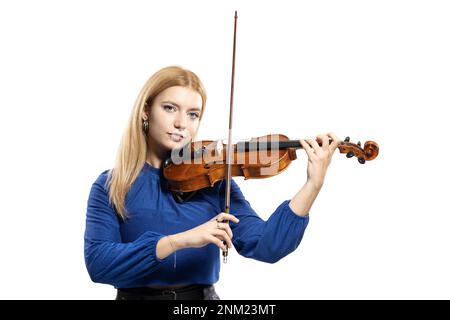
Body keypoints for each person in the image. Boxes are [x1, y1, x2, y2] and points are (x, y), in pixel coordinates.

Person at [84, 65, 341, 300]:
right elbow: (99, 264)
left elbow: (267, 246)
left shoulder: (215, 181)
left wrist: (312, 185)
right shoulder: (111, 184)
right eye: (170, 108)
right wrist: (179, 240)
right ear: (146, 111)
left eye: (193, 114)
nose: (181, 124)